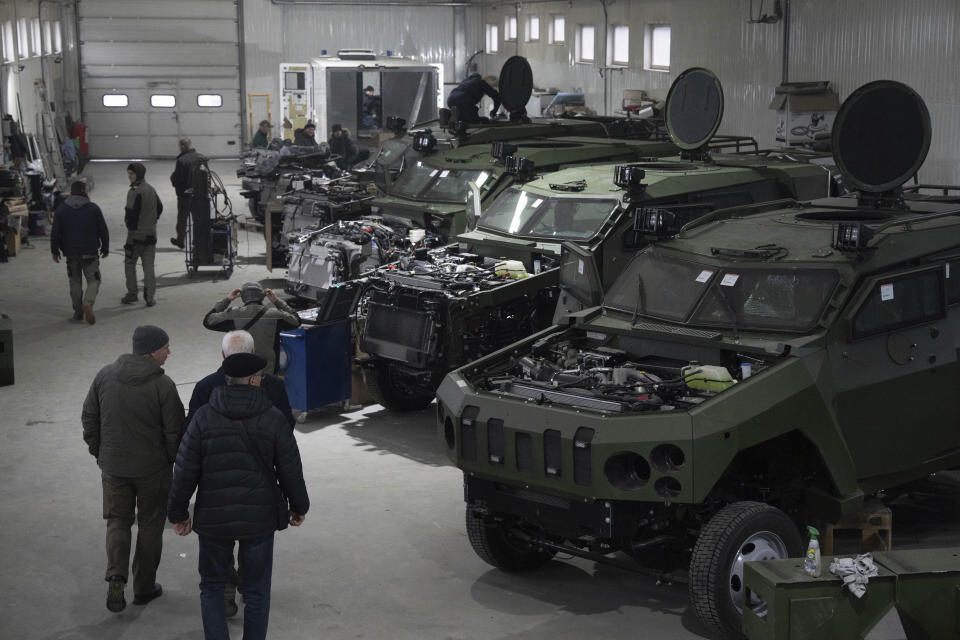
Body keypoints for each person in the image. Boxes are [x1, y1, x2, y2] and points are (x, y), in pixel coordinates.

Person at [168, 351, 309, 640]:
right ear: (255, 380)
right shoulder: (273, 418)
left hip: (213, 518)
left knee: (212, 586)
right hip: (259, 519)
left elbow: (184, 471)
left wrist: (178, 513)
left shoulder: (204, 417)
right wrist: (298, 506)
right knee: (256, 590)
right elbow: (290, 468)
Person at [184, 330, 296, 617]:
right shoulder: (271, 386)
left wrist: (178, 508)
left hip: (214, 490)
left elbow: (188, 441)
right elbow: (286, 433)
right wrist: (298, 504)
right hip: (259, 487)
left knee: (218, 545)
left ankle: (226, 589)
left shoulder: (205, 387)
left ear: (223, 357)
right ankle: (247, 583)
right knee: (253, 540)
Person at [82, 325, 184, 613]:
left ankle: (116, 576)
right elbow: (174, 431)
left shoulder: (104, 375)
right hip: (153, 470)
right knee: (150, 525)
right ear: (153, 350)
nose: (169, 352)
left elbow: (90, 417)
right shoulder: (163, 386)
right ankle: (143, 587)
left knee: (117, 521)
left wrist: (101, 453)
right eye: (166, 347)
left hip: (114, 467)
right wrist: (172, 461)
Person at [202, 282, 301, 375]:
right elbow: (296, 320)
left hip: (242, 372)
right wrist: (276, 301)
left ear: (243, 297)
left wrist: (227, 299)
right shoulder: (275, 315)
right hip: (268, 372)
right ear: (262, 296)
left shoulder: (234, 315)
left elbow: (208, 321)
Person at [50, 181, 108, 325]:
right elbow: (103, 230)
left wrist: (54, 250)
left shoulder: (62, 209)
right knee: (94, 280)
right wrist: (105, 247)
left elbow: (55, 233)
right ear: (84, 192)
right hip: (90, 253)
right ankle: (87, 303)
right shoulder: (93, 208)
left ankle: (78, 313)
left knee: (74, 281)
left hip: (70, 253)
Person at [122, 163, 163, 307]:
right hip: (151, 235)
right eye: (128, 173)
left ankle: (132, 293)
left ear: (138, 174)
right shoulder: (151, 189)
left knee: (129, 263)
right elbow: (160, 207)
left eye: (131, 174)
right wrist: (152, 221)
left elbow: (130, 214)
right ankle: (150, 297)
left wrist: (131, 227)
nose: (129, 176)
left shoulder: (134, 192)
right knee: (149, 267)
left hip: (135, 237)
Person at [170, 138, 207, 249]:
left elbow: (178, 180)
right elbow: (207, 177)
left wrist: (173, 180)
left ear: (181, 146)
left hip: (185, 196)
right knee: (198, 219)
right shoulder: (202, 158)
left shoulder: (182, 161)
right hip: (200, 195)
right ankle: (197, 241)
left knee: (182, 218)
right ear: (190, 144)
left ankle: (181, 240)